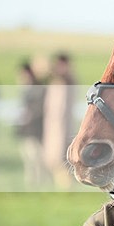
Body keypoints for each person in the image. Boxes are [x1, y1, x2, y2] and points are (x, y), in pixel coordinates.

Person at [42, 52, 76, 189]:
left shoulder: (68, 80)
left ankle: (66, 186)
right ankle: (61, 185)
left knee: (62, 157)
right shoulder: (56, 81)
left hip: (62, 126)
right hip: (53, 125)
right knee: (53, 158)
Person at [14, 61, 48, 187]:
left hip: (34, 129)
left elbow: (39, 108)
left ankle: (38, 182)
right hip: (26, 129)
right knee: (29, 158)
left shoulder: (37, 89)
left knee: (36, 157)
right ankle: (32, 182)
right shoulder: (26, 89)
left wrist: (30, 114)